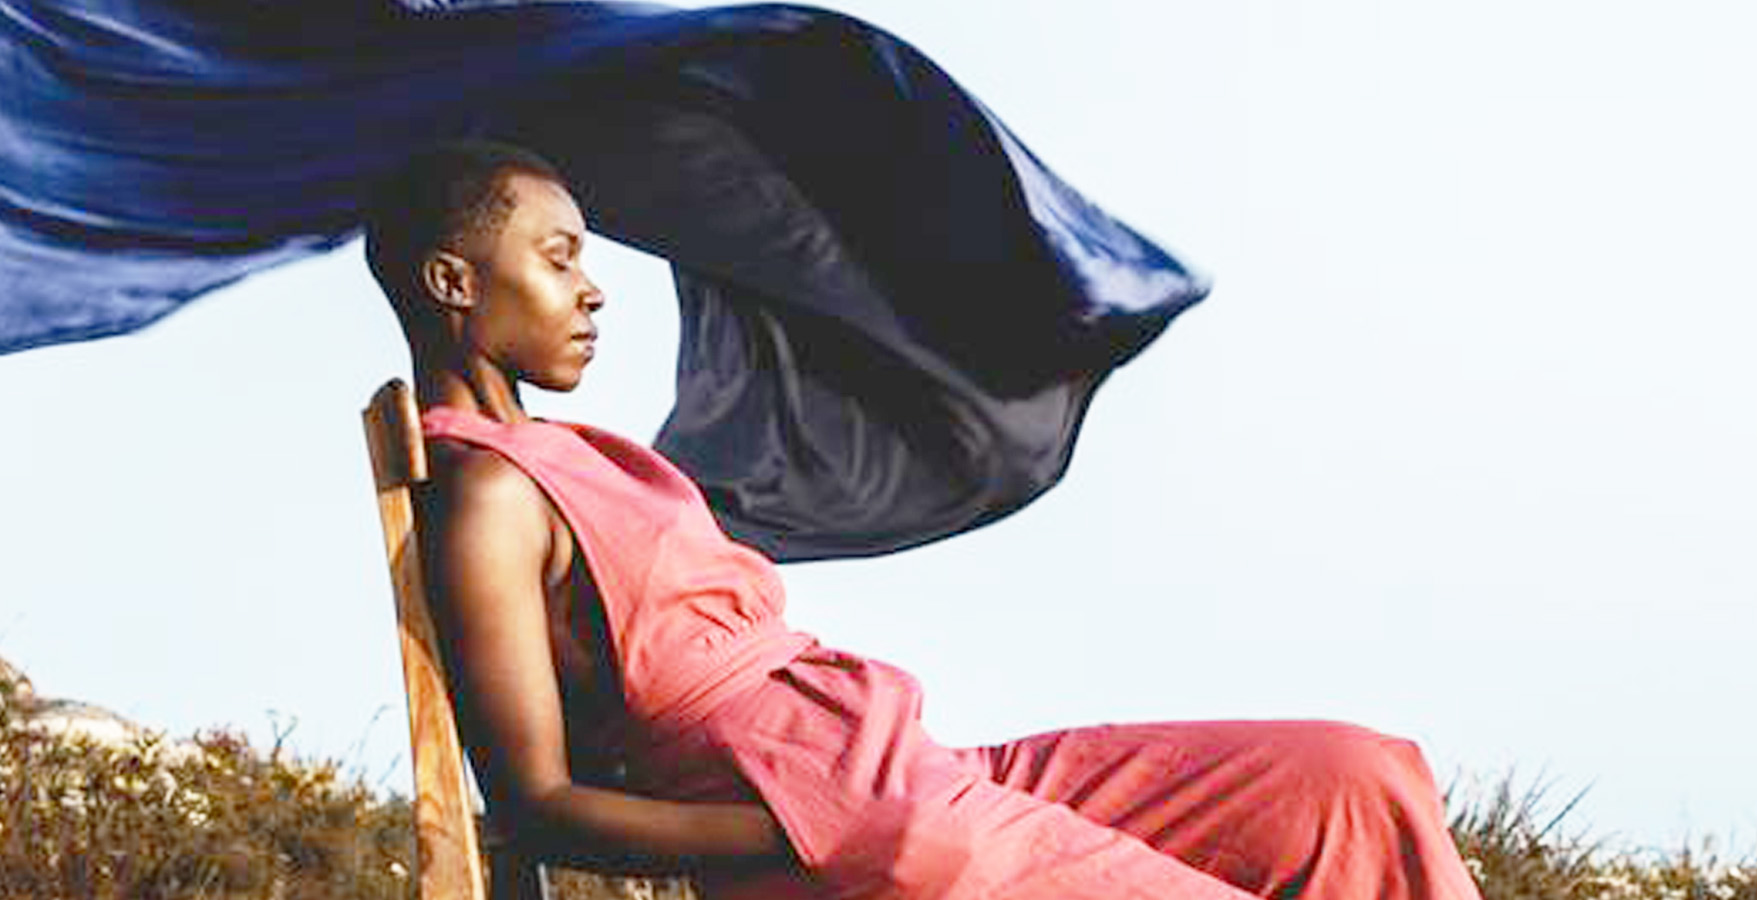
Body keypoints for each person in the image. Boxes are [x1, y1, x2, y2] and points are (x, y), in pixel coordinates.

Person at [364, 140, 1484, 900]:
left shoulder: (563, 458)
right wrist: (819, 828)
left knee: (1356, 776)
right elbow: (543, 805)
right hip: (853, 828)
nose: (593, 288)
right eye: (558, 257)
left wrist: (869, 800)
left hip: (908, 770)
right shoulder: (487, 497)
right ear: (453, 282)